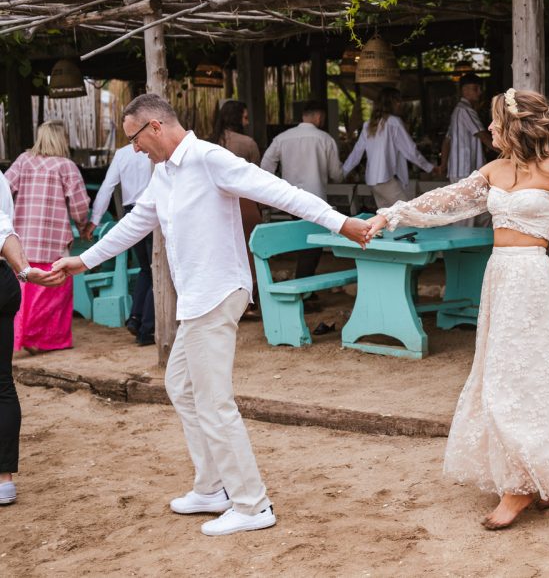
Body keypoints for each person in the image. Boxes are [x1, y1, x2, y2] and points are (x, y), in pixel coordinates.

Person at [53, 94, 371, 537]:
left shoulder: (208, 158)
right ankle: (212, 487)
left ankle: (251, 503)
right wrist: (82, 262)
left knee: (213, 401)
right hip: (197, 298)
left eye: (135, 139)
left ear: (156, 127)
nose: (134, 150)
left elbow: (279, 190)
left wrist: (340, 223)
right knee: (180, 385)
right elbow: (135, 223)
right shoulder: (163, 174)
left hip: (217, 292)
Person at [365, 88, 549, 530]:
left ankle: (519, 488)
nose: (490, 128)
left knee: (523, 379)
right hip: (499, 278)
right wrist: (393, 214)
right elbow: (448, 200)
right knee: (500, 374)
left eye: (496, 121)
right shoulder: (494, 170)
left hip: (534, 280)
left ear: (517, 126)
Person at [0, 171, 67, 505]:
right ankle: (4, 481)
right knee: (2, 383)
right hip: (4, 278)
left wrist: (25, 270)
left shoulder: (17, 167)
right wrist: (24, 271)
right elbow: (2, 226)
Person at [4, 120, 90, 355]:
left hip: (21, 242)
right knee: (54, 293)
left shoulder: (23, 161)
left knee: (24, 294)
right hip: (53, 242)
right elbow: (80, 207)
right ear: (61, 139)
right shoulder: (66, 166)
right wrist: (83, 225)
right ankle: (46, 340)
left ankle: (22, 337)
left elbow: (4, 189)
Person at [261, 99, 344, 278]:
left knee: (303, 238)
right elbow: (336, 174)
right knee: (313, 244)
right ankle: (304, 286)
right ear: (319, 117)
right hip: (316, 199)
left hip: (290, 199)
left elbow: (266, 165)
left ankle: (304, 284)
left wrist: (276, 186)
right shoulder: (325, 139)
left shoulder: (282, 138)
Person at [86, 143, 154, 345]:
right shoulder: (155, 149)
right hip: (151, 209)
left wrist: (95, 220)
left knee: (145, 268)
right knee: (155, 270)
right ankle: (148, 328)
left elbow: (107, 186)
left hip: (130, 212)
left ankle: (135, 317)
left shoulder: (122, 154)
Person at [211, 100, 263, 318]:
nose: (247, 120)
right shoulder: (247, 143)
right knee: (248, 253)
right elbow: (256, 177)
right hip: (244, 202)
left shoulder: (209, 142)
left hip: (214, 204)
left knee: (222, 252)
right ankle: (247, 303)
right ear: (237, 118)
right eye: (244, 116)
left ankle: (223, 300)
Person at [342, 87, 435, 208]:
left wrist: (342, 172)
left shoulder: (368, 124)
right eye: (399, 101)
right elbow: (410, 150)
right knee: (408, 214)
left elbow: (356, 153)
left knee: (388, 219)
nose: (400, 104)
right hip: (384, 179)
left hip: (373, 181)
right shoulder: (393, 122)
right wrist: (429, 167)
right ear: (394, 103)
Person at [436, 73, 493, 227]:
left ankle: (476, 247)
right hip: (465, 171)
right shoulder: (465, 110)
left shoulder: (458, 111)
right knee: (466, 218)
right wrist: (508, 149)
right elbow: (483, 136)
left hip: (461, 171)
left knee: (481, 213)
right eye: (476, 88)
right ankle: (461, 248)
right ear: (464, 90)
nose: (479, 92)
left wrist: (443, 164)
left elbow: (446, 141)